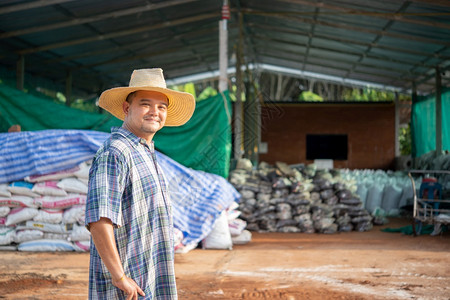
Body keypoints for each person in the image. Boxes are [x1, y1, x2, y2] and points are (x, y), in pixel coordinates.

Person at [85, 68, 195, 299]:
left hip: (150, 278)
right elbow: (99, 219)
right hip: (127, 286)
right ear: (127, 108)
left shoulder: (145, 151)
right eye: (146, 104)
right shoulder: (115, 152)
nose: (155, 112)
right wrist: (120, 277)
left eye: (161, 107)